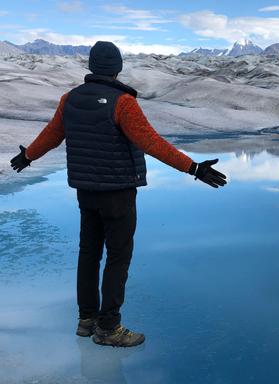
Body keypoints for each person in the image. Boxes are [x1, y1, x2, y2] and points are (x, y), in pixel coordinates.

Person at [10, 41, 227, 348]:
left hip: (86, 192)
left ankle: (86, 320)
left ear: (90, 66)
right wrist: (193, 168)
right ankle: (108, 328)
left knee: (89, 254)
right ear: (118, 67)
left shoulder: (69, 99)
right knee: (118, 257)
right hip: (118, 194)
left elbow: (52, 135)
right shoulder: (122, 103)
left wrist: (28, 156)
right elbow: (152, 143)